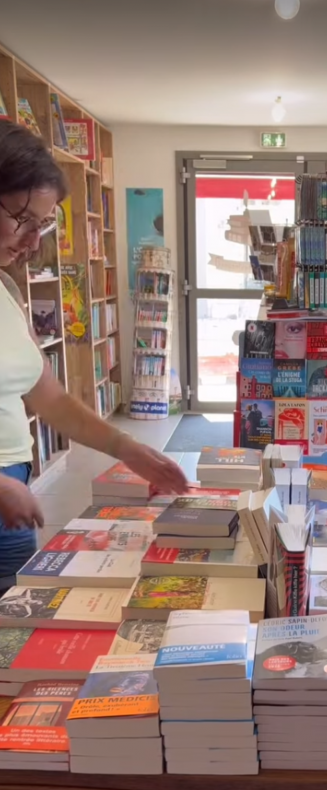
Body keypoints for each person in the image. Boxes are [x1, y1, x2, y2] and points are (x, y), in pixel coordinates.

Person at [0, 119, 188, 590]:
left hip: (12, 491)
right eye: (21, 218)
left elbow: (50, 398)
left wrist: (129, 450)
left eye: (42, 224)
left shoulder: (4, 288)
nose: (32, 240)